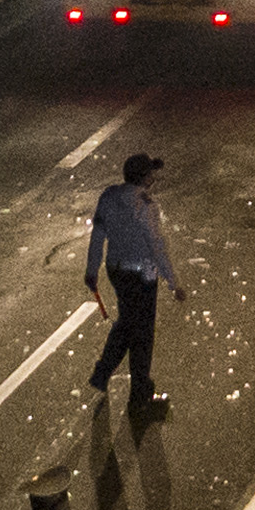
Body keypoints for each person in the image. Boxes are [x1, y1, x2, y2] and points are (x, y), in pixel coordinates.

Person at [83, 152, 182, 411]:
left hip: (117, 272)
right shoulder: (146, 206)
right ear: (144, 178)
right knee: (142, 335)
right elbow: (157, 246)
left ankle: (102, 372)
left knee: (127, 323)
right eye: (151, 173)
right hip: (142, 276)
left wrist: (92, 270)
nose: (154, 177)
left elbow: (97, 237)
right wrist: (174, 283)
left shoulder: (109, 197)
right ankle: (140, 397)